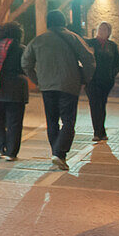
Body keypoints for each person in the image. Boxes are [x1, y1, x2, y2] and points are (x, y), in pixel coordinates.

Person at [22, 10, 96, 171]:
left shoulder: (38, 40)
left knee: (52, 121)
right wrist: (84, 78)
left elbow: (25, 63)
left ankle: (57, 153)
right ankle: (59, 152)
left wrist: (37, 80)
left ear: (48, 22)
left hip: (47, 87)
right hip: (69, 85)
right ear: (64, 22)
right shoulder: (74, 38)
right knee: (68, 120)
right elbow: (89, 59)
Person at [0, 22, 29, 161]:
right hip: (14, 89)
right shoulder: (20, 49)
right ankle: (11, 152)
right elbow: (26, 66)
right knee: (14, 121)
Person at [85, 22, 119, 142]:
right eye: (100, 29)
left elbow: (118, 63)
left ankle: (101, 130)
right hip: (92, 80)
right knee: (94, 105)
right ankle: (98, 132)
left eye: (105, 29)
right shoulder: (90, 43)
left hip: (106, 81)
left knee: (101, 105)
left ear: (109, 32)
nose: (101, 31)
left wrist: (112, 75)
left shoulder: (112, 46)